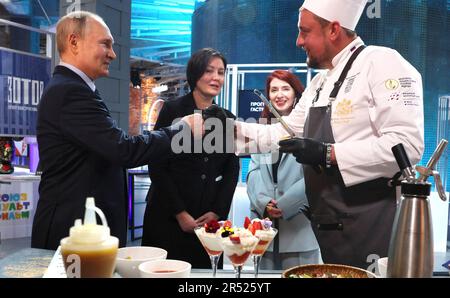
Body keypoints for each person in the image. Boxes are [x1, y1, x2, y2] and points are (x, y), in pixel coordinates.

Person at [234, 0, 424, 269]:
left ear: (334, 29)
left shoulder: (382, 62)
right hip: (328, 227)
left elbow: (407, 146)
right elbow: (282, 132)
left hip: (371, 225)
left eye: (305, 31)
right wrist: (228, 128)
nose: (299, 41)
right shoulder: (319, 82)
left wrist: (328, 153)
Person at [31, 11, 199, 250]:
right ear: (74, 42)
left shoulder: (75, 89)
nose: (113, 53)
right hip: (74, 233)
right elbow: (123, 150)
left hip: (84, 230)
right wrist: (181, 130)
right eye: (105, 44)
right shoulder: (70, 92)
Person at [141, 48, 240, 268]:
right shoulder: (172, 110)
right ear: (195, 74)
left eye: (221, 72)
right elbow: (157, 165)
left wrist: (217, 212)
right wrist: (180, 212)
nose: (216, 77)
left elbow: (232, 169)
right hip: (168, 215)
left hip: (208, 223)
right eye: (209, 71)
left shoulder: (227, 118)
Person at [246, 70, 321, 269]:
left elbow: (315, 174)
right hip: (263, 232)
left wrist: (286, 203)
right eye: (274, 90)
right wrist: (264, 202)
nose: (279, 94)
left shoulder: (311, 128)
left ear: (296, 93)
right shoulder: (263, 129)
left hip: (300, 230)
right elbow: (253, 172)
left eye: (285, 89)